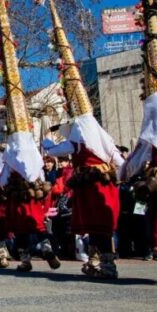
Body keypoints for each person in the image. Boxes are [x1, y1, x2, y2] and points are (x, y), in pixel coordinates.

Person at [44, 116, 124, 279]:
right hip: (106, 186)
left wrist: (46, 139)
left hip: (90, 188)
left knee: (96, 226)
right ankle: (95, 263)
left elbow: (52, 151)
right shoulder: (105, 140)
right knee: (100, 227)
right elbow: (121, 163)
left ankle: (107, 265)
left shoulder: (77, 142)